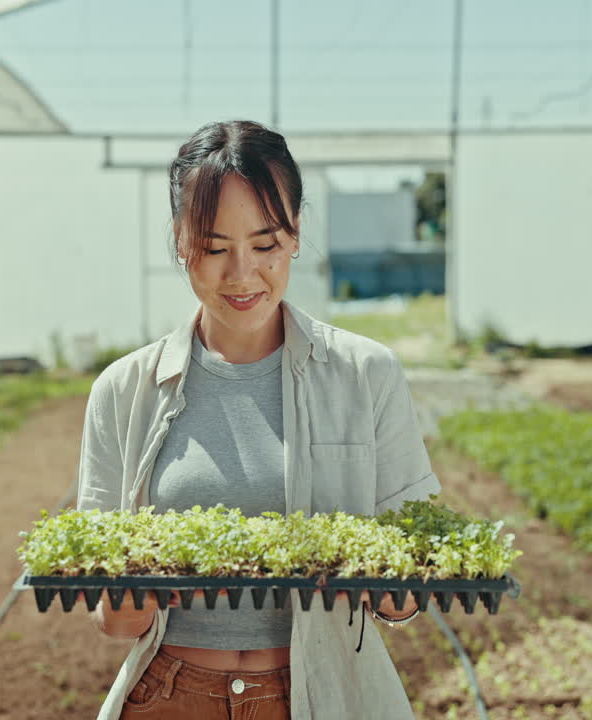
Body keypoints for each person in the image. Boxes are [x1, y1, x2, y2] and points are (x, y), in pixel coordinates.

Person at [76, 119, 441, 720]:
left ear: (297, 233)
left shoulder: (365, 374)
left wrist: (399, 589)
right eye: (215, 248)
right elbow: (115, 622)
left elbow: (403, 597)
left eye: (266, 244)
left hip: (323, 696)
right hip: (171, 696)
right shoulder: (123, 391)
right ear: (179, 241)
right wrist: (131, 584)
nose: (242, 274)